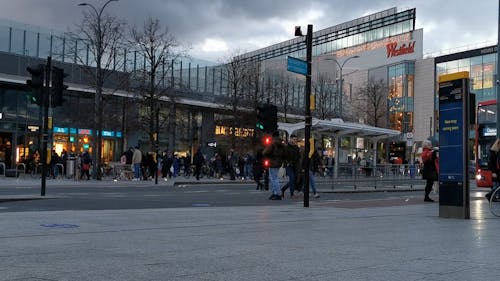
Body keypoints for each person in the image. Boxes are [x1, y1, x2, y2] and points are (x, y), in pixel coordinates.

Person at [263, 131, 286, 200]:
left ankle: (278, 193)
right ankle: (275, 192)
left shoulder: (273, 143)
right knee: (274, 178)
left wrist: (267, 154)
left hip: (272, 162)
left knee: (274, 178)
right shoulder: (281, 144)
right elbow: (284, 153)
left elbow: (266, 152)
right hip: (278, 162)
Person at [281, 134, 300, 199]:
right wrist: (287, 162)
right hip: (289, 165)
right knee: (292, 178)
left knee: (294, 179)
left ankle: (283, 189)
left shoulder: (296, 147)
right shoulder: (287, 147)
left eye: (295, 139)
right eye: (294, 139)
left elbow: (298, 157)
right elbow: (283, 157)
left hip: (295, 165)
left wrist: (298, 166)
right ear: (290, 139)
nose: (295, 141)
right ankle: (292, 194)